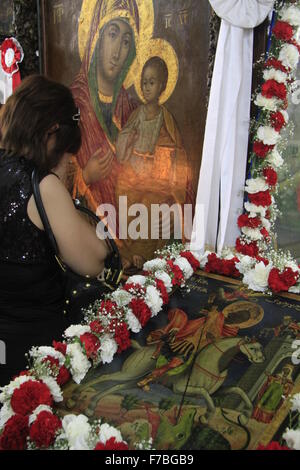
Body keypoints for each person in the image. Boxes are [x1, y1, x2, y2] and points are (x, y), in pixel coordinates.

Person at [0, 75, 109, 386]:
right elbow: (93, 260)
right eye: (65, 151)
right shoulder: (42, 187)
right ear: (51, 134)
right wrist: (65, 188)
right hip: (34, 357)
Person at [115, 56, 192, 269]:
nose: (147, 87)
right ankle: (128, 248)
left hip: (156, 175)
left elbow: (176, 150)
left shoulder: (165, 117)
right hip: (133, 171)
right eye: (144, 82)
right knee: (122, 193)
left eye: (152, 82)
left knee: (151, 205)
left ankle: (141, 251)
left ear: (162, 86)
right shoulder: (137, 114)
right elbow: (125, 139)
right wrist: (127, 139)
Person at [69, 1, 139, 227]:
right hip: (86, 227)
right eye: (112, 35)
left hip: (131, 222)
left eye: (126, 42)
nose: (117, 52)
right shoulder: (73, 103)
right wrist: (86, 177)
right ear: (96, 38)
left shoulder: (130, 109)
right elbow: (52, 173)